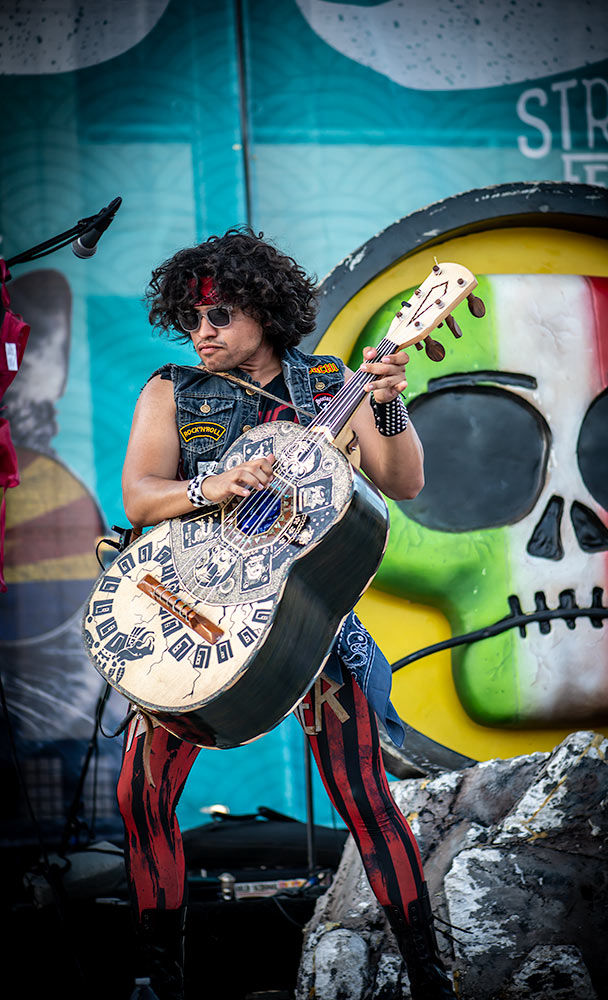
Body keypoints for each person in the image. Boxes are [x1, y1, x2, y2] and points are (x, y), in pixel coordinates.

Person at [117, 227, 455, 1000]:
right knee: (140, 794)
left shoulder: (333, 380)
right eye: (192, 320)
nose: (201, 333)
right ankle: (154, 977)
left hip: (308, 620)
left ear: (265, 313)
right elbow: (139, 496)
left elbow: (401, 483)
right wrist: (215, 486)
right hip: (195, 617)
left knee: (365, 794)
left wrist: (387, 403)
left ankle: (429, 973)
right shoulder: (171, 389)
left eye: (219, 317)